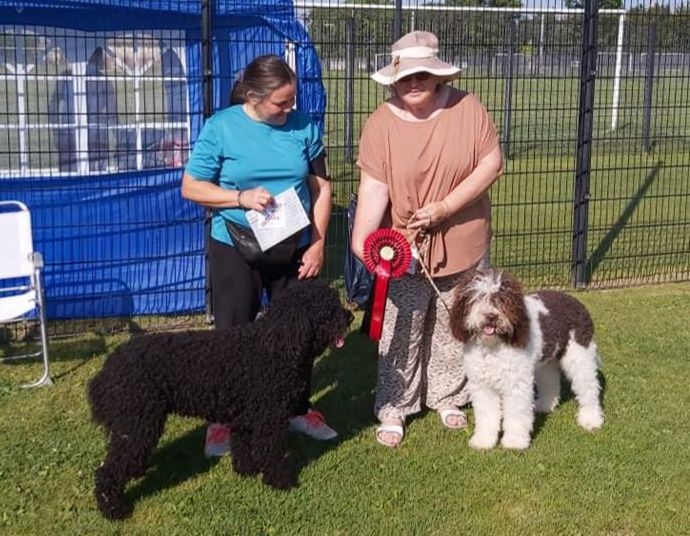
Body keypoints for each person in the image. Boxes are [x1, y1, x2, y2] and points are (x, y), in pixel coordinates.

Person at [351, 31, 504, 448]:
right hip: (404, 247)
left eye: (422, 74)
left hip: (464, 237)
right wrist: (363, 240)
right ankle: (395, 404)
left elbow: (491, 164)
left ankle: (447, 395)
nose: (413, 83)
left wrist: (444, 207)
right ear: (393, 79)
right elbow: (373, 189)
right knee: (402, 327)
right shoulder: (380, 124)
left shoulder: (468, 108)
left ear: (437, 75)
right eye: (405, 76)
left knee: (454, 325)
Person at [181, 55, 337, 456]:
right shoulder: (221, 127)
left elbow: (321, 187)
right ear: (253, 97)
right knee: (232, 336)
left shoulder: (305, 127)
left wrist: (317, 243)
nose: (289, 110)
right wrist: (238, 197)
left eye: (292, 101)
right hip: (235, 243)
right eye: (280, 104)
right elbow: (192, 187)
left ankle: (297, 409)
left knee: (299, 336)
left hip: (292, 245)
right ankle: (222, 420)